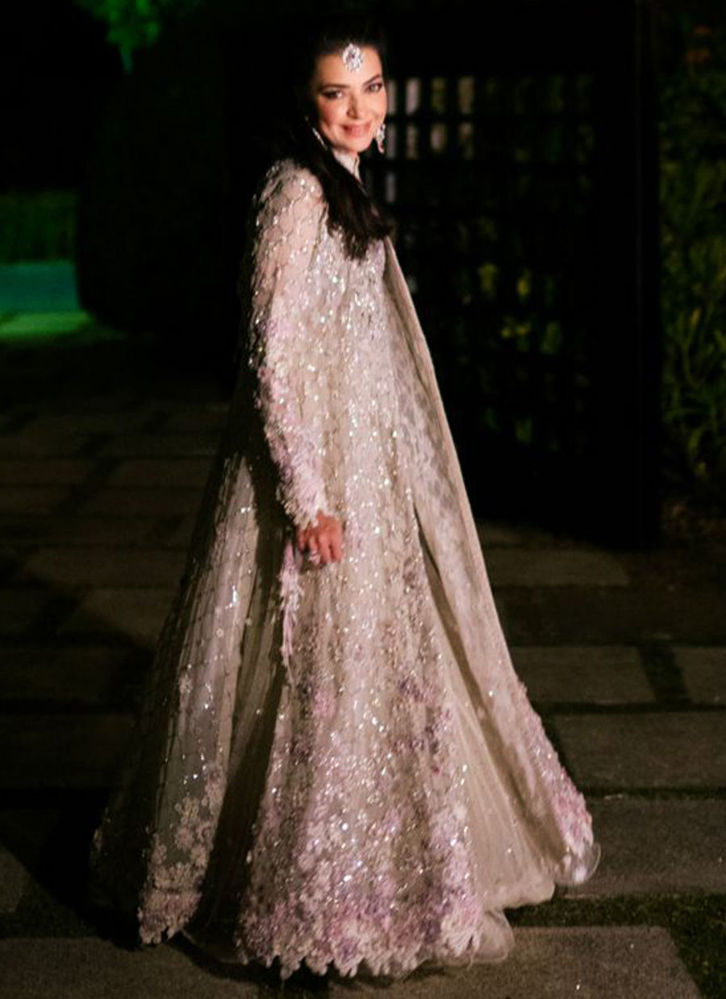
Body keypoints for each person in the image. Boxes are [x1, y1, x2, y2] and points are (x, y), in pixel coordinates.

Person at [87, 14, 601, 984]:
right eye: (336, 92)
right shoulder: (293, 193)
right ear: (306, 100)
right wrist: (308, 495)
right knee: (310, 665)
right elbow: (271, 355)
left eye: (371, 89)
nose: (358, 109)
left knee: (374, 662)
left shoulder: (345, 181)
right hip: (316, 472)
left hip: (365, 461)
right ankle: (310, 885)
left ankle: (384, 854)